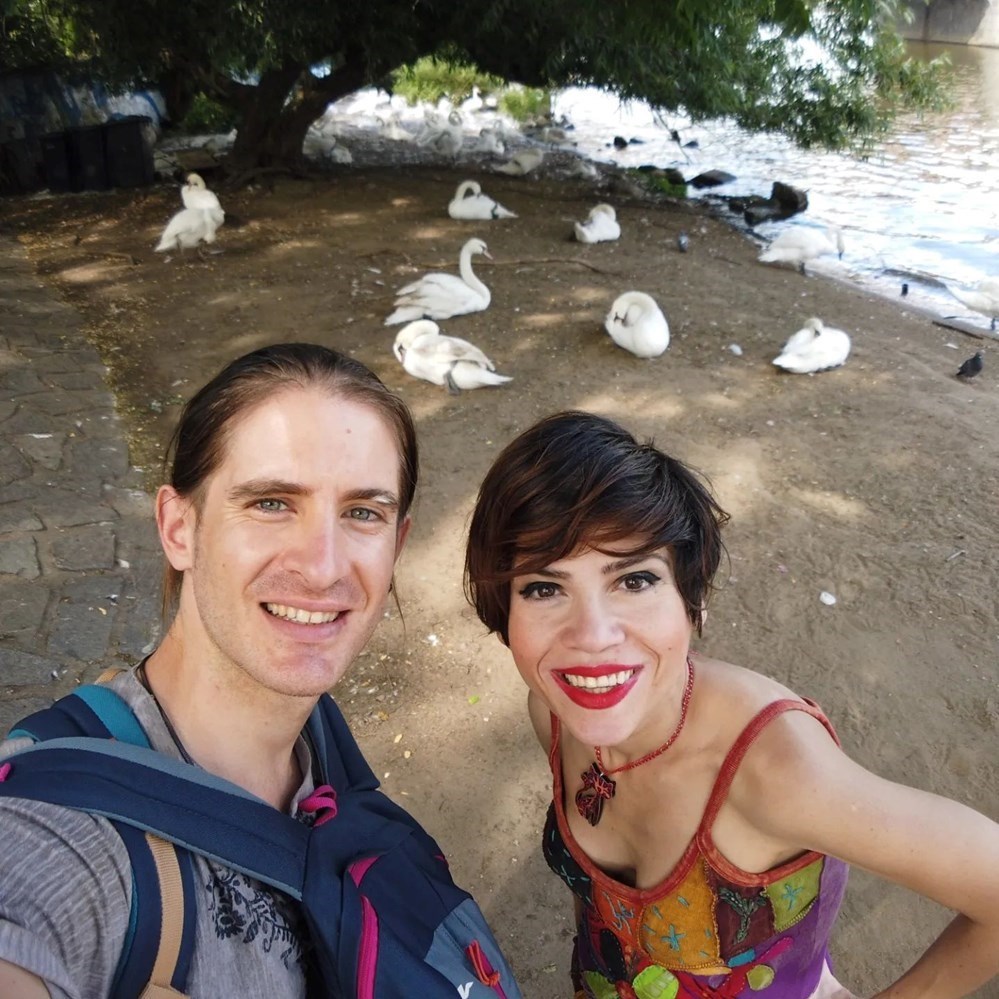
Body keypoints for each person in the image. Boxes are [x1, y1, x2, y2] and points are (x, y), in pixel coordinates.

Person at [0, 343, 517, 998]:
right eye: (271, 502)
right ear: (179, 527)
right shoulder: (60, 840)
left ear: (397, 544)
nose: (323, 567)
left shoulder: (316, 734)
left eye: (362, 513)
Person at [464, 409, 999, 999]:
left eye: (635, 580)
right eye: (543, 588)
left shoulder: (776, 772)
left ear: (692, 599)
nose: (592, 637)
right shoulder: (554, 713)